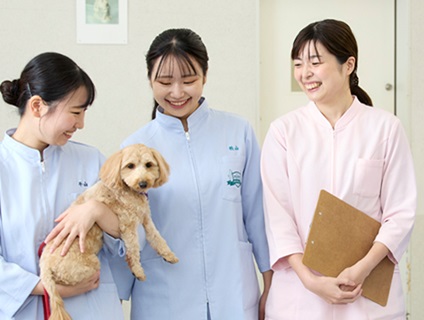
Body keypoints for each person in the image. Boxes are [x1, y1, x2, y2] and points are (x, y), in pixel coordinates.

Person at [110, 28, 272, 320]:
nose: (177, 92)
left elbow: (258, 216)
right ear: (150, 80)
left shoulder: (238, 132)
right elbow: (126, 228)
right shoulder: (134, 150)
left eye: (188, 81)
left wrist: (271, 285)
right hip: (164, 299)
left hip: (232, 293)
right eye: (164, 82)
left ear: (205, 76)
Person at [260, 19, 416, 320]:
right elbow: (278, 217)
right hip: (300, 296)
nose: (305, 74)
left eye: (315, 63)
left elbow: (400, 212)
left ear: (348, 65)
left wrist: (362, 268)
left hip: (366, 293)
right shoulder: (283, 132)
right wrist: (310, 280)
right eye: (298, 64)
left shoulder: (385, 128)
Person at [0, 52, 125, 320]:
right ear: (37, 106)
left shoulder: (91, 161)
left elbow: (130, 230)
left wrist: (95, 210)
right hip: (24, 310)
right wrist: (48, 288)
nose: (81, 124)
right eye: (75, 112)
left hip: (92, 308)